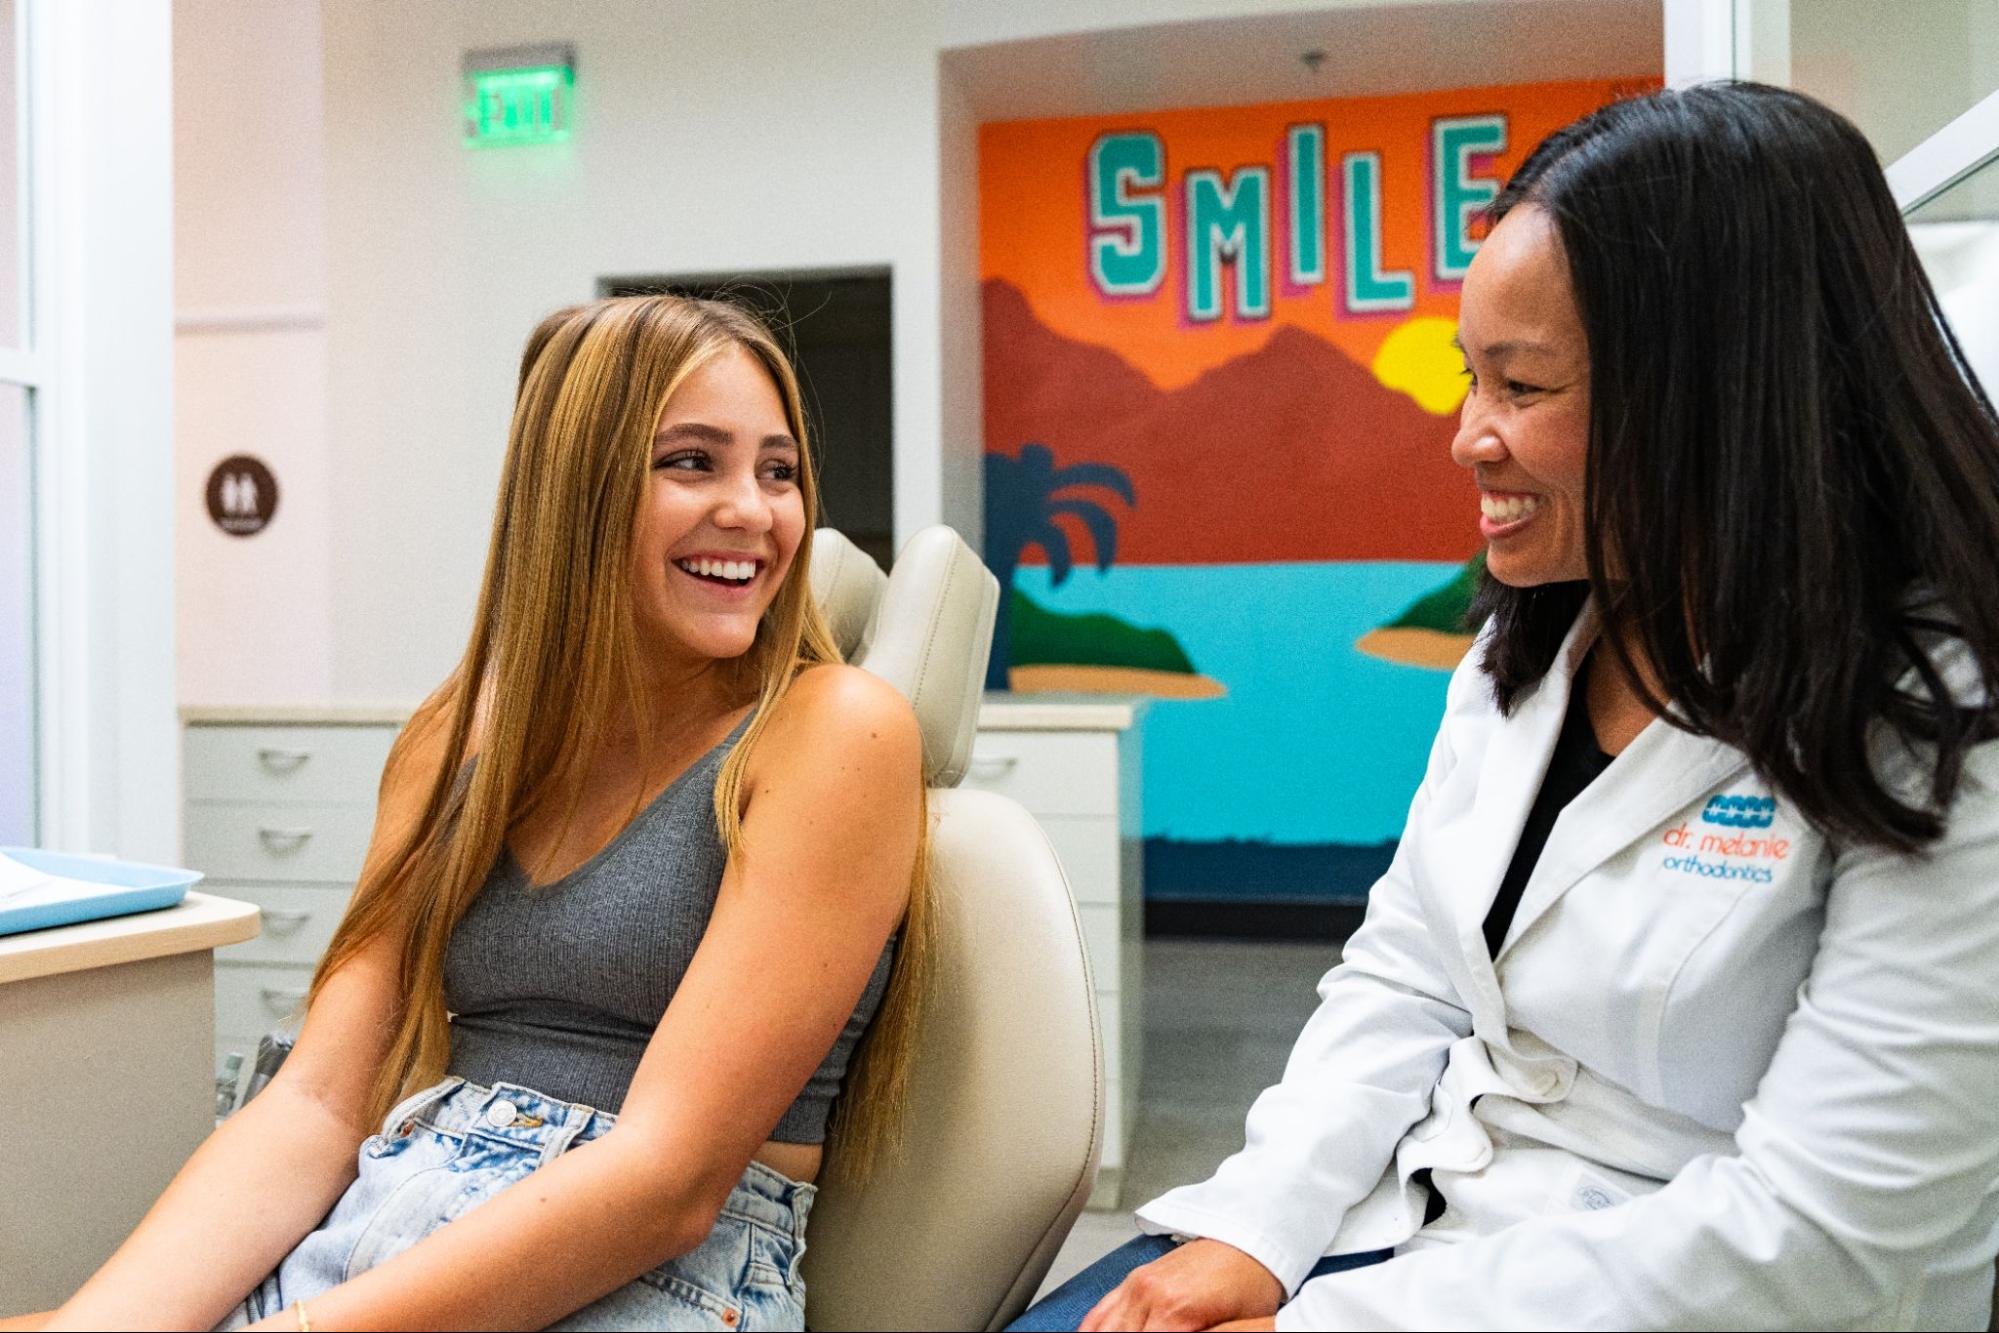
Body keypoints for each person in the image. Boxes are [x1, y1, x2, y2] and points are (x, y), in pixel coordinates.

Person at [1014, 82, 1999, 1331]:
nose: (1466, 437)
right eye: (1467, 377)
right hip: (1423, 1219)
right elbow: (1410, 971)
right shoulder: (1527, 647)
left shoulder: (1941, 723)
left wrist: (1321, 1327)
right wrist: (1255, 1225)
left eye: (1522, 387)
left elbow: (1819, 1234)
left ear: (1720, 394)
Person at [30, 296, 930, 1331]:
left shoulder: (835, 731)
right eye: (692, 462)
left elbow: (665, 1183)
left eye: (778, 471)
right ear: (573, 486)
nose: (753, 511)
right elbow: (318, 1103)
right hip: (385, 1223)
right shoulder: (455, 737)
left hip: (648, 1275)